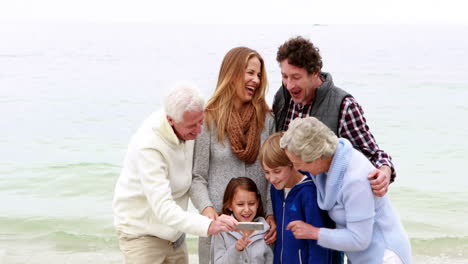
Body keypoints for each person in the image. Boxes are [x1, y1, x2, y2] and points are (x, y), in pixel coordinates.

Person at [112, 83, 238, 264]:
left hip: (175, 236)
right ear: (171, 120)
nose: (199, 130)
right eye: (192, 126)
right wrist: (208, 225)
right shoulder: (149, 146)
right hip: (142, 236)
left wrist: (208, 208)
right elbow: (163, 208)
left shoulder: (188, 127)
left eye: (200, 121)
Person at [272, 36, 395, 197]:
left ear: (314, 73)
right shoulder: (282, 97)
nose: (289, 85)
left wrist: (385, 171)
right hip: (290, 200)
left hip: (328, 208)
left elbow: (373, 155)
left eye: (296, 77)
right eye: (284, 76)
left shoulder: (344, 106)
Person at [281, 117, 412, 264]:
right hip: (359, 256)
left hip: (385, 256)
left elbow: (359, 240)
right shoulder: (328, 165)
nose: (297, 168)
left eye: (297, 163)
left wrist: (313, 232)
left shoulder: (356, 180)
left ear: (315, 158)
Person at [190, 47, 276, 264]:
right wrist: (207, 210)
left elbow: (273, 176)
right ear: (232, 73)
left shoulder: (267, 120)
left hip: (258, 233)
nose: (256, 80)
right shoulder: (208, 120)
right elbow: (197, 177)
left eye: (258, 75)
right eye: (250, 73)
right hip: (218, 229)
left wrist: (272, 214)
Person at [259, 132, 334, 264]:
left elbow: (319, 244)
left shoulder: (309, 193)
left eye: (277, 171)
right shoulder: (276, 189)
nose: (272, 178)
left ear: (292, 164)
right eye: (267, 172)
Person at [211, 177, 274, 264]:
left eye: (251, 203)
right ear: (229, 205)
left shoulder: (267, 231)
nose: (247, 209)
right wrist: (235, 250)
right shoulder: (221, 231)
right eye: (240, 204)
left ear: (258, 203)